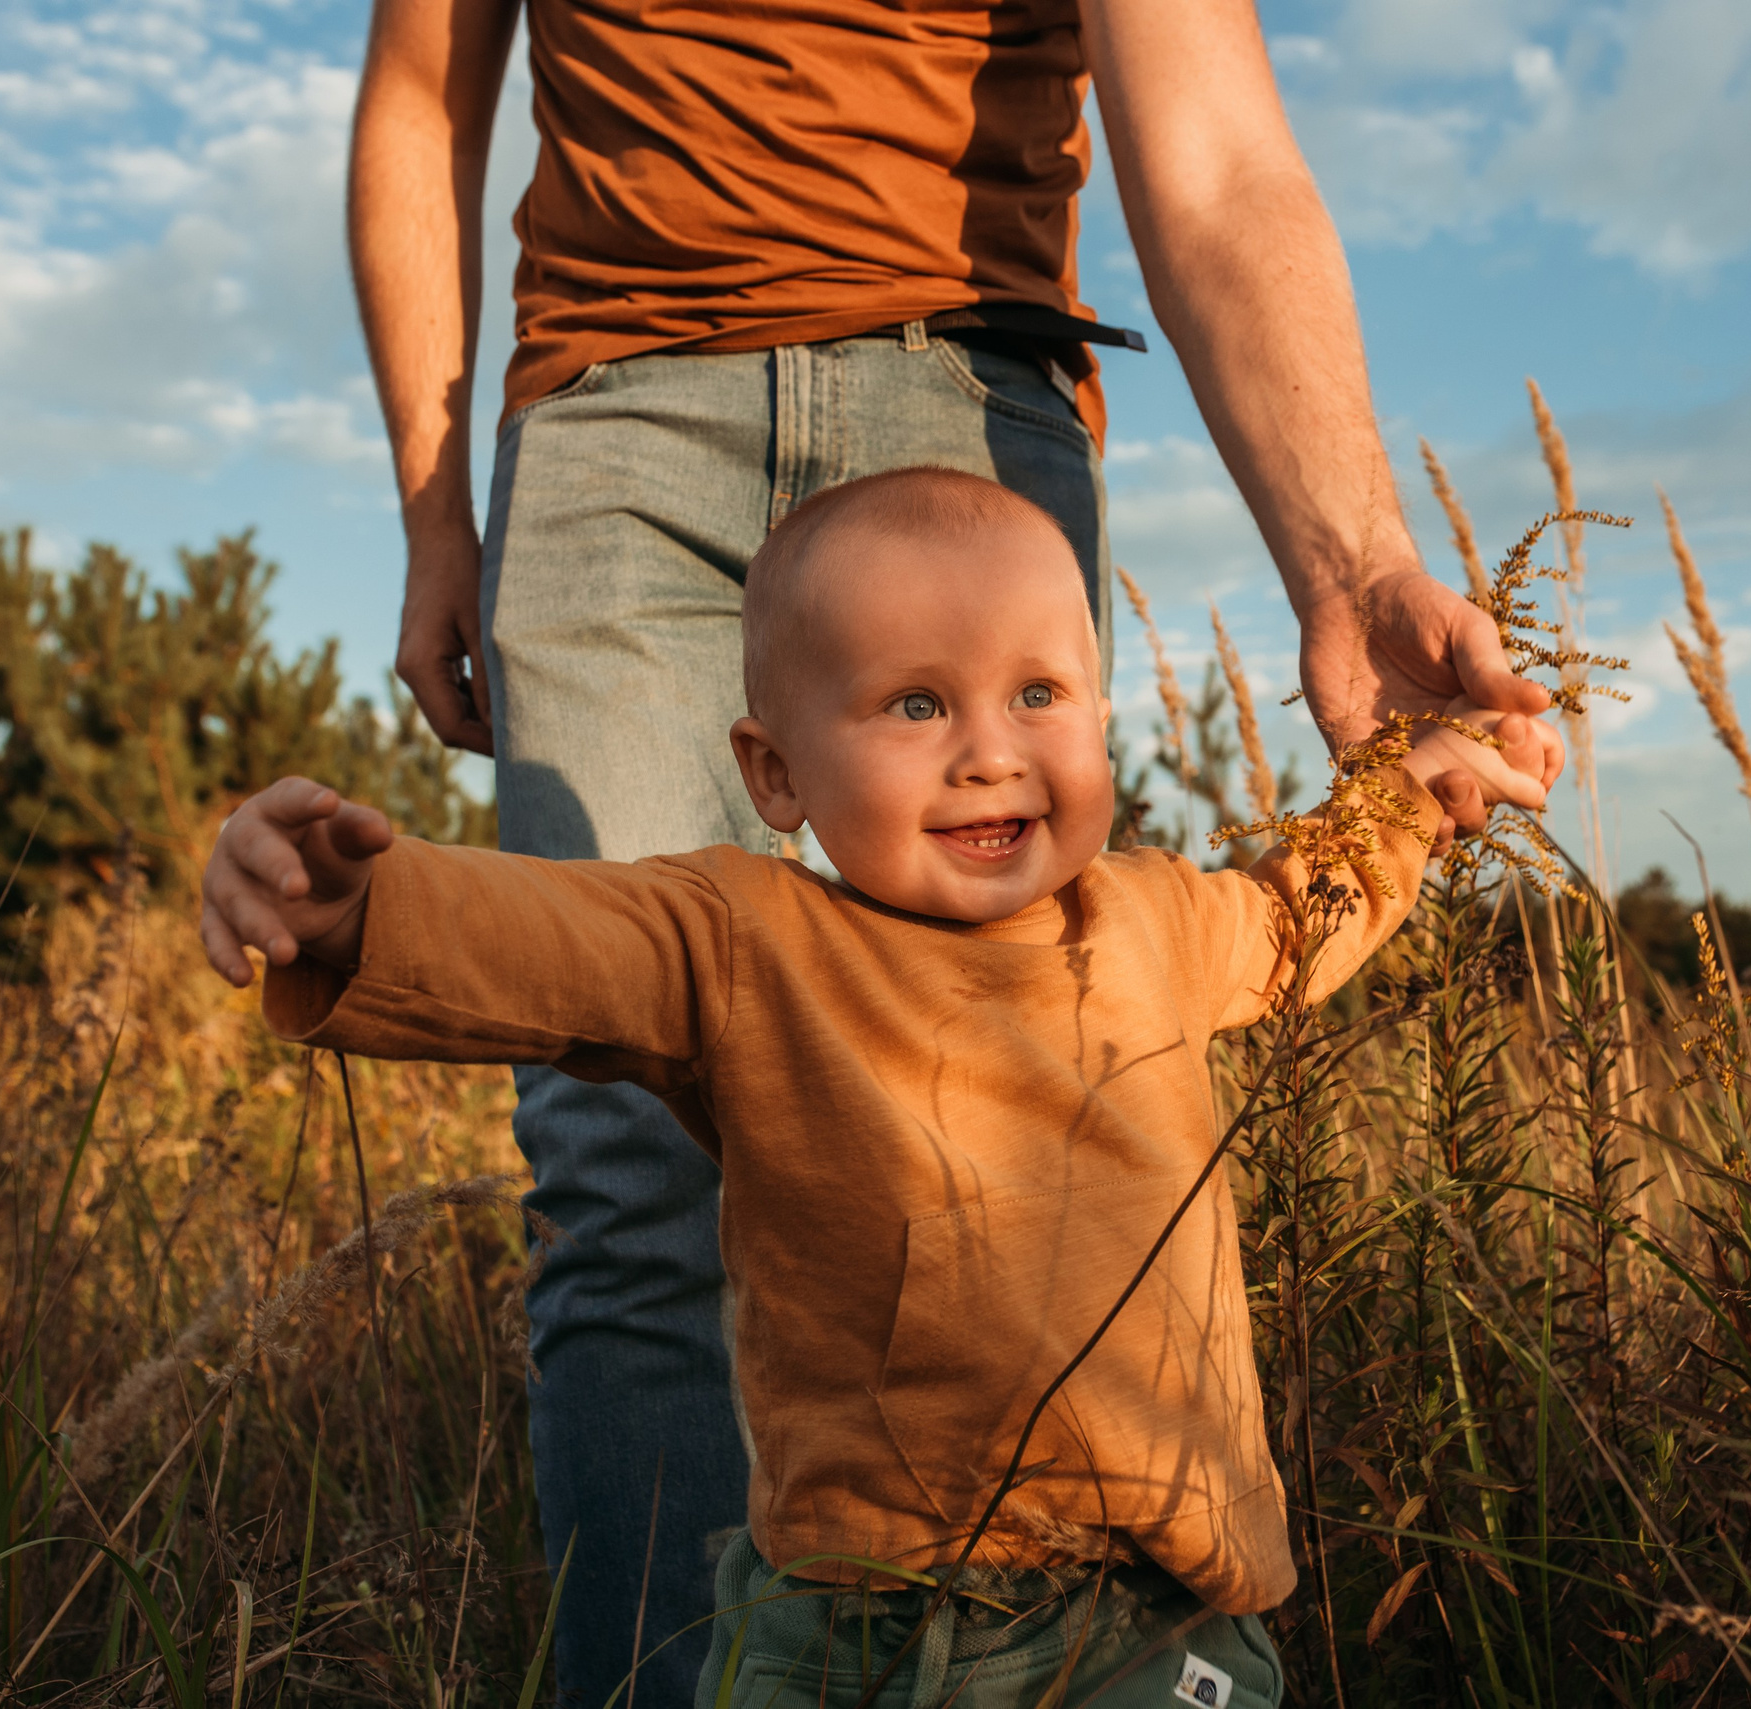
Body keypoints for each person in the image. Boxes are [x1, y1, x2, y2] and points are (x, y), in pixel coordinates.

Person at [347, 0, 1558, 1697]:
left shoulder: (1150, 899)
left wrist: (1353, 557)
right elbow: (422, 91)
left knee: (1020, 1101)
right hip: (613, 430)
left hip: (972, 399)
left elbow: (1212, 151)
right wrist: (431, 514)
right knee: (624, 1167)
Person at [200, 470, 1558, 1706]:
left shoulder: (1147, 921)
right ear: (776, 771)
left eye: (1039, 694)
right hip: (852, 1627)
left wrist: (1411, 799)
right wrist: (356, 908)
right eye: (917, 703)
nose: (988, 749)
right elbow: (553, 944)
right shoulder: (748, 942)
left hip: (1152, 1613)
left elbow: (1292, 912)